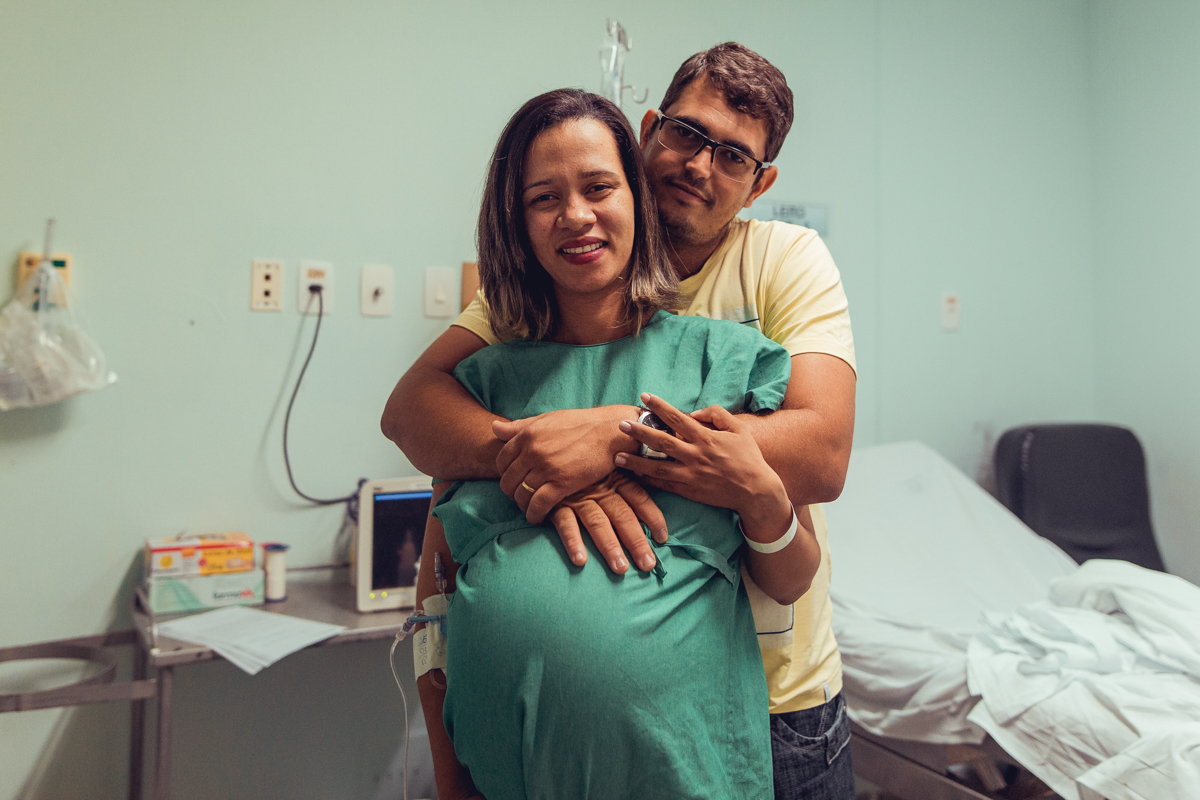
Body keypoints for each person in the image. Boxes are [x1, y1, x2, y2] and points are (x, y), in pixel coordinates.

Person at [386, 44, 857, 799]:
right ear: (650, 132)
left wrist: (612, 436)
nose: (701, 166)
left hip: (770, 701)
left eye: (734, 156)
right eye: (688, 134)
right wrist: (538, 462)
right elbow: (414, 415)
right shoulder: (515, 335)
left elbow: (822, 456)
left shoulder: (772, 278)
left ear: (761, 182)